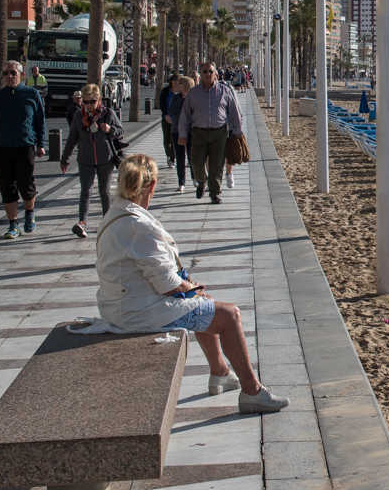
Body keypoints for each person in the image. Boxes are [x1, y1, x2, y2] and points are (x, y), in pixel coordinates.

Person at [95, 154, 287, 413]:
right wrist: (190, 288)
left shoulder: (115, 214)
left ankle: (220, 372)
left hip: (120, 304)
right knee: (229, 315)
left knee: (204, 306)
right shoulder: (136, 225)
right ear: (152, 186)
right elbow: (166, 283)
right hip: (137, 312)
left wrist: (191, 290)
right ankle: (252, 391)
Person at [0, 60, 47, 238]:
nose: (9, 76)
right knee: (7, 187)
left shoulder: (31, 94)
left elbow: (40, 121)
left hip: (25, 146)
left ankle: (29, 214)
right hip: (3, 148)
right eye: (6, 73)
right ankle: (12, 224)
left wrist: (41, 144)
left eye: (13, 73)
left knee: (26, 184)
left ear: (21, 75)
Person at [61, 84, 124, 238]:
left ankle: (107, 222)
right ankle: (82, 223)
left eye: (92, 101)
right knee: (85, 190)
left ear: (99, 100)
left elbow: (120, 131)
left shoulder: (108, 113)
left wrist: (110, 129)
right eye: (86, 102)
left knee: (104, 191)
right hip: (85, 159)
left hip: (105, 159)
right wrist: (65, 158)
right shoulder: (78, 116)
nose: (89, 105)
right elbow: (72, 138)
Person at [178, 61, 243, 205]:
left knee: (216, 165)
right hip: (198, 133)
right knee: (196, 163)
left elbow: (234, 112)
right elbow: (185, 115)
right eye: (205, 72)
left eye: (210, 71)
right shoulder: (193, 93)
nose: (208, 74)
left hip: (219, 133)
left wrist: (237, 131)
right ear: (200, 75)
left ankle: (215, 193)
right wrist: (182, 134)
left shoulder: (224, 91)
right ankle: (202, 181)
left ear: (215, 74)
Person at [166, 76, 189, 192]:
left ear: (185, 85)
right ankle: (181, 182)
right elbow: (170, 111)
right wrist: (174, 120)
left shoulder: (192, 97)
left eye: (180, 83)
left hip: (191, 131)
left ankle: (196, 177)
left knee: (192, 156)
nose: (177, 85)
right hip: (177, 130)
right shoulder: (176, 98)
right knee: (180, 157)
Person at [156, 75, 178, 168]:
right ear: (171, 81)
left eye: (177, 80)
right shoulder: (165, 91)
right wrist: (165, 115)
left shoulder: (180, 91)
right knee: (166, 139)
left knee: (174, 140)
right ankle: (169, 155)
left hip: (177, 119)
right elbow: (162, 104)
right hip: (166, 118)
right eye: (174, 80)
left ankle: (172, 158)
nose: (176, 82)